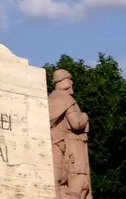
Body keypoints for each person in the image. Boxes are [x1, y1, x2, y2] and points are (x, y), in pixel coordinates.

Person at [48, 70, 91, 199]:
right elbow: (76, 123)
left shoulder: (51, 98)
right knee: (78, 183)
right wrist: (85, 116)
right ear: (63, 81)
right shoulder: (66, 98)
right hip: (70, 147)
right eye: (69, 79)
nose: (71, 82)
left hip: (58, 145)